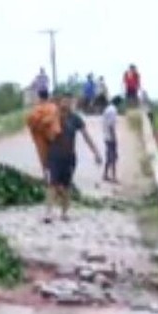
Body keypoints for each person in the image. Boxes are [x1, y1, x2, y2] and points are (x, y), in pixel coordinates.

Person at [46, 90, 102, 222]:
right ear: (60, 102)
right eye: (64, 101)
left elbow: (86, 136)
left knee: (66, 186)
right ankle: (49, 213)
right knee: (52, 184)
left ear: (72, 103)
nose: (66, 103)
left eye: (69, 101)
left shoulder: (75, 119)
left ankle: (64, 213)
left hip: (69, 157)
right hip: (54, 156)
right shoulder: (53, 117)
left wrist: (96, 152)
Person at [26, 87, 61, 218]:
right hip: (54, 141)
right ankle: (56, 193)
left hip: (41, 144)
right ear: (48, 96)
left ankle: (50, 193)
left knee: (46, 168)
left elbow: (30, 123)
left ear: (39, 97)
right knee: (55, 168)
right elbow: (57, 126)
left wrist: (39, 126)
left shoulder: (35, 110)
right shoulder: (53, 108)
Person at [101, 95, 122, 183]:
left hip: (106, 136)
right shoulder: (113, 111)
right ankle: (114, 177)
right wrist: (114, 138)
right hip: (110, 137)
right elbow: (111, 126)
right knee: (113, 157)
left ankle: (105, 174)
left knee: (109, 157)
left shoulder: (107, 109)